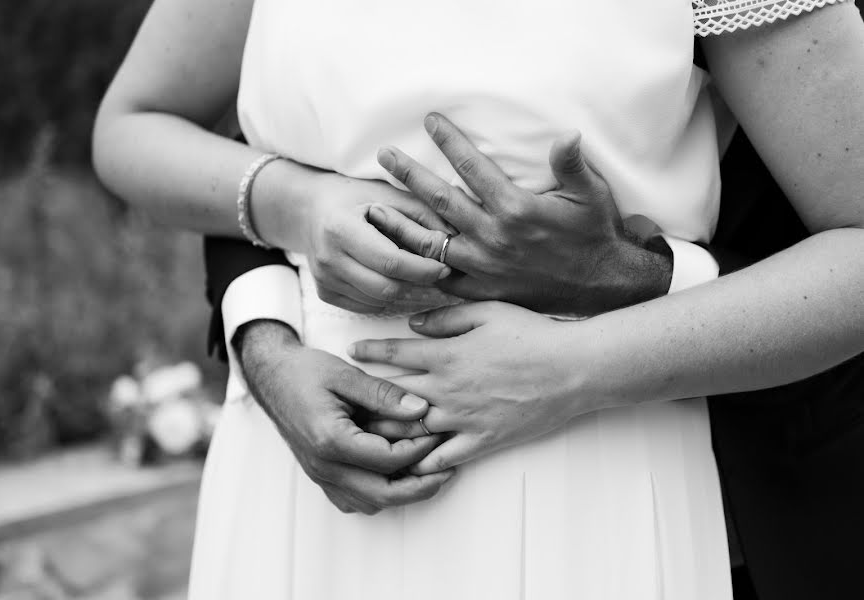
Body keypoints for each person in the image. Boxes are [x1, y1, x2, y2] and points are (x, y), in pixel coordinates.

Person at [92, 1, 864, 598]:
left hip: (590, 463)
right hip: (295, 463)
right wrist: (293, 208)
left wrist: (574, 369)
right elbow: (133, 125)